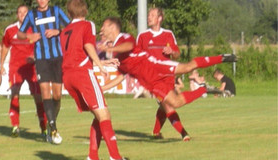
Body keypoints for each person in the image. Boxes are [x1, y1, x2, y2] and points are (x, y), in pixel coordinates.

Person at [98, 17, 237, 113]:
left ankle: (222, 58)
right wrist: (102, 88)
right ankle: (203, 90)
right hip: (152, 81)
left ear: (112, 27)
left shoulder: (124, 37)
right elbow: (122, 76)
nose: (102, 29)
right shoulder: (116, 51)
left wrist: (109, 49)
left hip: (155, 66)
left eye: (104, 26)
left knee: (187, 67)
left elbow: (128, 46)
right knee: (175, 103)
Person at [60, 0, 135, 160]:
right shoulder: (88, 25)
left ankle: (92, 157)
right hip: (82, 74)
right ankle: (115, 157)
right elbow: (87, 45)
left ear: (69, 12)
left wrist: (101, 63)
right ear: (85, 10)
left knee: (99, 114)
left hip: (68, 75)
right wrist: (100, 64)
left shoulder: (65, 31)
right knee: (104, 115)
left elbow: (75, 54)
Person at [17, 0, 70, 145]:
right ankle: (53, 128)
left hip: (57, 58)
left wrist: (58, 32)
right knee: (45, 93)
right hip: (41, 58)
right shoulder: (32, 14)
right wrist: (29, 35)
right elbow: (20, 33)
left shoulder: (56, 11)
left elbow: (70, 28)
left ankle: (50, 124)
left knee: (57, 95)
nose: (41, 0)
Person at [136, 7, 190, 141]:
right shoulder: (143, 36)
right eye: (148, 15)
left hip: (168, 77)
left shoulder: (168, 34)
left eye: (152, 15)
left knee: (164, 105)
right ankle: (184, 133)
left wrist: (171, 51)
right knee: (167, 104)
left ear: (160, 18)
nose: (149, 17)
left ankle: (156, 132)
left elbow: (177, 55)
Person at [0, 5, 46, 138]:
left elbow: (42, 46)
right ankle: (15, 126)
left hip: (32, 67)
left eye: (25, 12)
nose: (22, 14)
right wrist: (2, 64)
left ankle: (43, 126)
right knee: (15, 93)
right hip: (16, 67)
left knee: (38, 96)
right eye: (19, 12)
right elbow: (5, 46)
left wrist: (36, 57)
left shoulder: (35, 28)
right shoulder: (10, 30)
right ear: (17, 15)